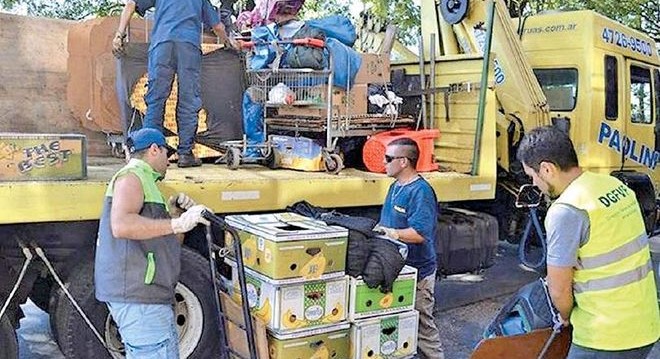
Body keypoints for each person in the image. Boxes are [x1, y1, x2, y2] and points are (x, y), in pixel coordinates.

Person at [516, 126, 659, 359]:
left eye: (532, 176)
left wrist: (564, 317)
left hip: (604, 337)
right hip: (646, 327)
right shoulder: (615, 186)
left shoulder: (567, 210)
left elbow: (559, 290)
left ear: (547, 169)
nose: (535, 184)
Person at [94, 128, 211, 358]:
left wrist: (177, 215)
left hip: (149, 296)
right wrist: (177, 224)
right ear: (154, 150)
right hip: (139, 297)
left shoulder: (147, 182)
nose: (169, 161)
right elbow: (122, 225)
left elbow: (165, 243)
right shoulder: (132, 176)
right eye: (168, 154)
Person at [112, 0, 236, 168]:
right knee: (188, 100)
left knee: (156, 99)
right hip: (188, 47)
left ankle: (150, 154)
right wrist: (228, 43)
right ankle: (185, 154)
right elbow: (218, 27)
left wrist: (119, 35)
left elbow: (131, 4)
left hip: (161, 45)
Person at [375, 137, 444, 359]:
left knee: (423, 326)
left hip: (418, 272)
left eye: (388, 158)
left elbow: (420, 234)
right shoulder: (395, 187)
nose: (383, 163)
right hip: (397, 269)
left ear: (403, 161)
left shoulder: (420, 191)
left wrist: (390, 233)